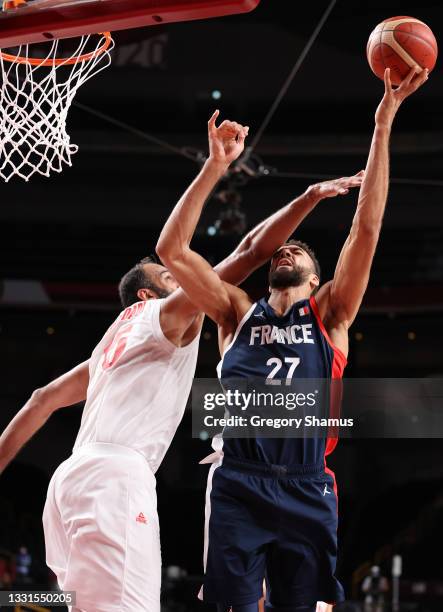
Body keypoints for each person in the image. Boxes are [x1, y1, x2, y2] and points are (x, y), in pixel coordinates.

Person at [0, 120, 361, 612]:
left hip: (67, 483)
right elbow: (249, 253)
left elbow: (41, 400)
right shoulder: (169, 314)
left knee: (76, 603)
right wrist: (222, 168)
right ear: (150, 293)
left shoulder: (112, 342)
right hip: (115, 480)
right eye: (171, 277)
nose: (187, 278)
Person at [156, 67, 429, 612]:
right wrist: (214, 167)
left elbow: (366, 228)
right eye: (283, 250)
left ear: (315, 277)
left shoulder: (331, 315)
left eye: (298, 252)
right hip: (238, 482)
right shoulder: (234, 312)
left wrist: (384, 122)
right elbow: (172, 251)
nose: (286, 251)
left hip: (307, 485)